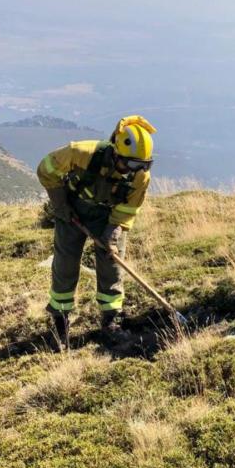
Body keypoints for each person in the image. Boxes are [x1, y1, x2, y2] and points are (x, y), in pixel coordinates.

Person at [37, 115, 156, 348]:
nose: (135, 171)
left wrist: (113, 232)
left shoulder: (140, 176)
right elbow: (46, 169)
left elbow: (129, 207)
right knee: (66, 262)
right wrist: (60, 205)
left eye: (143, 165)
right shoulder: (81, 153)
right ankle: (60, 322)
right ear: (115, 152)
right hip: (72, 210)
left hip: (108, 216)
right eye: (130, 164)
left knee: (112, 262)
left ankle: (111, 320)